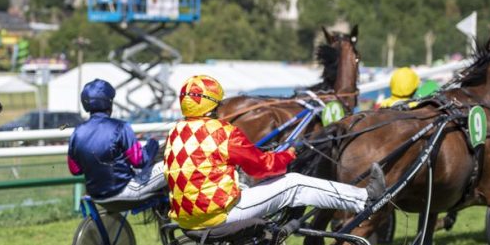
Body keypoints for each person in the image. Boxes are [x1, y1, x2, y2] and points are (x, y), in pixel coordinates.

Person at [164, 75, 385, 230]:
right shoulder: (223, 132)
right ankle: (363, 198)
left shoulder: (174, 132)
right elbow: (263, 168)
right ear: (213, 104)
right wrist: (287, 155)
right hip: (218, 215)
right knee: (295, 183)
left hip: (185, 218)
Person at [68, 79, 165, 205]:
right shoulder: (121, 127)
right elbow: (139, 161)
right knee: (172, 166)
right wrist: (152, 144)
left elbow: (75, 170)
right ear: (109, 103)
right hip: (123, 191)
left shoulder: (76, 132)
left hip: (95, 195)